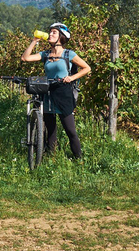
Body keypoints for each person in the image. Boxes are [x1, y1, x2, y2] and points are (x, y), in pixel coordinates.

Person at [21, 22, 91, 160]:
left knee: (70, 130)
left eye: (54, 32)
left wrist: (71, 78)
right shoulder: (45, 54)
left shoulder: (68, 54)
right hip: (47, 92)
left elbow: (87, 68)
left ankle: (79, 160)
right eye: (50, 31)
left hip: (63, 93)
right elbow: (25, 58)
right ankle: (50, 158)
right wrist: (34, 41)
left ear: (61, 37)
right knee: (50, 130)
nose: (50, 34)